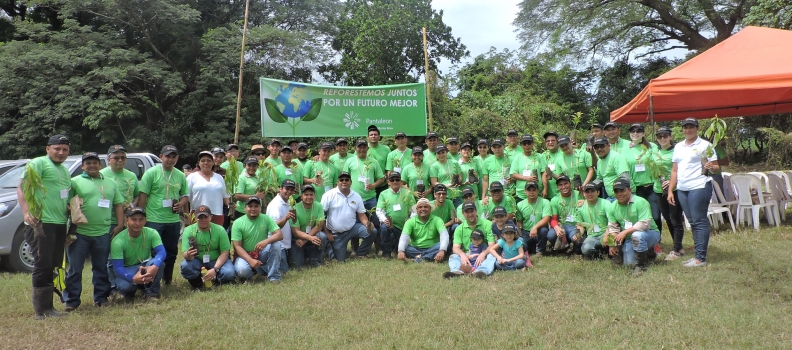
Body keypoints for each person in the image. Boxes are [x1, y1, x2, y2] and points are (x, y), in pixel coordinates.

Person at [17, 134, 71, 319]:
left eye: (65, 149)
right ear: (47, 149)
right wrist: (26, 212)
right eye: (57, 148)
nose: (61, 152)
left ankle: (50, 307)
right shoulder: (38, 163)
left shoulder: (64, 170)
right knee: (43, 264)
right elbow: (22, 187)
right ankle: (42, 310)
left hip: (58, 222)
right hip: (41, 222)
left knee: (53, 263)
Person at [63, 152, 125, 311]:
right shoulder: (74, 182)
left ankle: (101, 297)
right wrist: (73, 209)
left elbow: (118, 205)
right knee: (75, 269)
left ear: (101, 165)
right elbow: (65, 204)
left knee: (100, 267)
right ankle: (71, 301)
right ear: (82, 166)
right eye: (88, 163)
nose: (92, 165)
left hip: (103, 233)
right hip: (79, 233)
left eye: (95, 162)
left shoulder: (111, 183)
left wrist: (119, 225)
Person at [668, 118, 718, 267]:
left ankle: (700, 258)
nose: (688, 130)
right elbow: (675, 170)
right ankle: (698, 255)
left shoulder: (705, 145)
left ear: (697, 128)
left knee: (699, 221)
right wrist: (671, 190)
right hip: (683, 189)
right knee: (692, 222)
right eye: (685, 127)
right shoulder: (678, 146)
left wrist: (711, 166)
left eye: (691, 127)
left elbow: (716, 167)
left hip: (699, 186)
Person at [138, 145, 189, 285]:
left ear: (177, 158)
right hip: (154, 220)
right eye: (168, 156)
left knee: (171, 251)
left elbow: (185, 195)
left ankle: (167, 280)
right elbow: (143, 196)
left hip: (172, 220)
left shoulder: (180, 175)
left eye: (174, 157)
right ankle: (152, 280)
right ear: (161, 156)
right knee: (153, 252)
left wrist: (180, 203)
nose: (170, 160)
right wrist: (141, 217)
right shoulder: (151, 173)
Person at [100, 145, 140, 293]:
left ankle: (126, 282)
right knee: (110, 257)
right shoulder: (101, 174)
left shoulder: (131, 175)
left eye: (123, 157)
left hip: (128, 222)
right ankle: (111, 287)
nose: (120, 160)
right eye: (116, 157)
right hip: (110, 222)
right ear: (108, 159)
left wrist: (132, 206)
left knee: (126, 254)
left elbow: (136, 195)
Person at [602, 178, 661, 276]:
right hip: (630, 237)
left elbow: (645, 223)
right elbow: (613, 227)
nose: (619, 194)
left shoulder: (641, 202)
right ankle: (648, 253)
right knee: (629, 264)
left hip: (650, 233)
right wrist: (612, 244)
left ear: (629, 190)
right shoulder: (612, 207)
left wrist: (624, 232)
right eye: (616, 191)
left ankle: (641, 266)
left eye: (622, 190)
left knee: (637, 235)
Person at [110, 207, 166, 302]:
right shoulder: (117, 241)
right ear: (126, 221)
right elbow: (118, 267)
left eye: (141, 219)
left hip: (145, 265)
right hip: (128, 269)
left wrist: (155, 266)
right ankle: (134, 288)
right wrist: (133, 278)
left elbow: (161, 252)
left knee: (159, 264)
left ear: (145, 221)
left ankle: (151, 293)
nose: (137, 223)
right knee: (125, 287)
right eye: (133, 219)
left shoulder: (152, 233)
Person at [321, 172, 377, 262]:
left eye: (347, 180)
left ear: (351, 182)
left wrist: (367, 224)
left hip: (352, 229)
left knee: (372, 231)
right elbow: (322, 216)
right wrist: (327, 233)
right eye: (341, 180)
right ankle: (330, 248)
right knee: (340, 260)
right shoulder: (328, 195)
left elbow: (362, 215)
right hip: (336, 233)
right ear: (337, 182)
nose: (344, 182)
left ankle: (361, 253)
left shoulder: (356, 196)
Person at [180, 205, 235, 290]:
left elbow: (225, 252)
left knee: (229, 273)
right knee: (185, 266)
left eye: (205, 217)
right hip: (198, 260)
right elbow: (185, 254)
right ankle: (197, 284)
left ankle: (216, 280)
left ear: (211, 217)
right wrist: (188, 255)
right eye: (200, 217)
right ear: (195, 218)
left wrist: (215, 269)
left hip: (216, 260)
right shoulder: (188, 230)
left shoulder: (220, 230)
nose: (203, 220)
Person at [232, 197, 284, 283]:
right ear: (245, 208)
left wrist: (266, 241)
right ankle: (252, 274)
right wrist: (250, 260)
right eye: (250, 206)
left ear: (260, 208)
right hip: (245, 255)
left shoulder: (266, 218)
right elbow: (237, 247)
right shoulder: (237, 223)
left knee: (276, 245)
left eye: (256, 206)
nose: (253, 209)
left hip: (261, 252)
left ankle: (274, 277)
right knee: (242, 270)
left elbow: (279, 235)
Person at [652, 127, 686, 260]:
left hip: (674, 190)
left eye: (665, 136)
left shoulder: (676, 151)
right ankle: (679, 247)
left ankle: (676, 250)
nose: (662, 139)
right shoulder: (655, 152)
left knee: (675, 219)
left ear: (670, 137)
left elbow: (680, 171)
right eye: (659, 136)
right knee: (668, 219)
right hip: (658, 190)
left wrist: (672, 183)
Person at [443, 202, 497, 279]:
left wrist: (483, 254)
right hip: (467, 254)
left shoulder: (487, 224)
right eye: (467, 212)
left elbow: (492, 245)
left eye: (472, 211)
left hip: (484, 252)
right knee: (453, 256)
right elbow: (455, 248)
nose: (470, 214)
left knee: (492, 255)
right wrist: (463, 255)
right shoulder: (459, 228)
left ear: (476, 211)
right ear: (463, 214)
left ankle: (481, 272)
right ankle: (456, 272)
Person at [343, 139, 384, 237]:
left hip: (370, 198)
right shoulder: (350, 161)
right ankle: (354, 248)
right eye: (359, 147)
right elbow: (344, 178)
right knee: (354, 223)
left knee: (375, 221)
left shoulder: (373, 162)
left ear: (367, 148)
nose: (362, 149)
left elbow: (381, 178)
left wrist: (373, 185)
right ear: (355, 148)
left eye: (364, 147)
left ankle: (378, 247)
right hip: (353, 197)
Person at [377, 172, 417, 259]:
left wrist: (410, 220)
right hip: (391, 225)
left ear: (401, 182)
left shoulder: (408, 193)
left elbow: (414, 209)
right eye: (392, 180)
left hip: (405, 226)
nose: (395, 182)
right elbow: (379, 210)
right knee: (384, 227)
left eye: (397, 180)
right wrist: (384, 219)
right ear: (388, 182)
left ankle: (396, 247)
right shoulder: (383, 194)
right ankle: (386, 253)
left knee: (403, 247)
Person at [187, 151, 232, 225]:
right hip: (198, 214)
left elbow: (225, 196)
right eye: (203, 160)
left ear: (213, 162)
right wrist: (186, 216)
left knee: (216, 236)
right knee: (198, 236)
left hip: (217, 214)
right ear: (199, 163)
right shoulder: (192, 177)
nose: (206, 163)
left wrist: (230, 205)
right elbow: (186, 197)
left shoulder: (219, 177)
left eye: (209, 161)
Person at [397, 198, 449, 262]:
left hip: (432, 247)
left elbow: (444, 235)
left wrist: (442, 251)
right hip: (415, 248)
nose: (423, 209)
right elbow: (404, 237)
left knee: (443, 245)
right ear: (417, 209)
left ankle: (418, 258)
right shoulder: (410, 222)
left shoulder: (437, 220)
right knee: (406, 248)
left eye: (425, 207)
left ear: (430, 209)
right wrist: (401, 251)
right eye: (420, 207)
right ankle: (428, 257)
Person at [290, 184, 327, 267]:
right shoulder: (294, 208)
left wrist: (306, 239)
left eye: (311, 194)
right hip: (297, 240)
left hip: (311, 236)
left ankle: (316, 261)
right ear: (301, 196)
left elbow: (319, 226)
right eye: (306, 194)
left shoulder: (319, 206)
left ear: (315, 196)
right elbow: (296, 232)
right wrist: (308, 238)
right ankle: (305, 254)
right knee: (298, 265)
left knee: (322, 236)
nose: (309, 197)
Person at [266, 180, 298, 271]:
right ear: (280, 189)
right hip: (277, 245)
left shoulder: (288, 201)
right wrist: (286, 218)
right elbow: (274, 227)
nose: (289, 191)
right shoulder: (275, 205)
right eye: (286, 189)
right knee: (283, 270)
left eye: (291, 189)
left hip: (285, 244)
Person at [620, 124, 656, 203]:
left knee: (655, 215)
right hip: (636, 188)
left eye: (638, 131)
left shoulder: (651, 146)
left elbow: (658, 163)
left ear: (643, 133)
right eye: (633, 131)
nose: (635, 133)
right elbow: (625, 170)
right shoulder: (624, 150)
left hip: (652, 186)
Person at [516, 181, 551, 257]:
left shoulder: (545, 202)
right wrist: (520, 229)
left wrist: (535, 227)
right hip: (526, 231)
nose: (531, 192)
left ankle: (541, 250)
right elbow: (519, 221)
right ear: (525, 191)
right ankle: (532, 246)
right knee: (523, 245)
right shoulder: (519, 205)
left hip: (539, 230)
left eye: (534, 190)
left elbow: (546, 218)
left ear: (538, 191)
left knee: (544, 231)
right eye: (529, 190)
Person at [576, 183, 610, 259]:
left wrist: (606, 235)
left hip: (606, 231)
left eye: (592, 191)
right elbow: (579, 225)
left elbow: (612, 222)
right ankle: (602, 253)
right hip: (592, 235)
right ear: (584, 194)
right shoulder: (580, 207)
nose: (590, 194)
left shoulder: (606, 203)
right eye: (587, 192)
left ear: (598, 192)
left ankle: (611, 251)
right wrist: (578, 234)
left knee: (612, 240)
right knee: (585, 250)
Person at [592, 137, 631, 201]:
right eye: (596, 147)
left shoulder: (616, 157)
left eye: (602, 146)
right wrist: (590, 186)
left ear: (609, 146)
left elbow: (625, 178)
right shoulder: (600, 161)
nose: (599, 149)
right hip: (611, 197)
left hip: (623, 196)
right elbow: (600, 179)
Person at [510, 134, 546, 203]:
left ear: (533, 144)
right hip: (521, 193)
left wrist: (545, 188)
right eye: (524, 143)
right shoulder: (517, 158)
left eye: (529, 143)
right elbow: (513, 174)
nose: (527, 145)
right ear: (521, 145)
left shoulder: (539, 156)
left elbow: (544, 173)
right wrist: (527, 178)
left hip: (537, 192)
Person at [548, 175, 580, 253]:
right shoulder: (554, 200)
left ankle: (576, 247)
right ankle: (563, 245)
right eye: (560, 185)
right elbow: (553, 219)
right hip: (562, 225)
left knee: (577, 240)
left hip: (576, 225)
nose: (563, 187)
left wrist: (585, 202)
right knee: (551, 235)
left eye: (566, 183)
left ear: (570, 184)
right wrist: (557, 228)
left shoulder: (579, 194)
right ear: (557, 187)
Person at [431, 184, 458, 252]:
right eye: (439, 194)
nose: (441, 196)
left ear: (446, 195)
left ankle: (454, 247)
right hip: (433, 230)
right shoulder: (429, 205)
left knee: (456, 226)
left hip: (446, 228)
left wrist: (443, 226)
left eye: (443, 194)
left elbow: (454, 219)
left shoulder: (449, 202)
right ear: (434, 195)